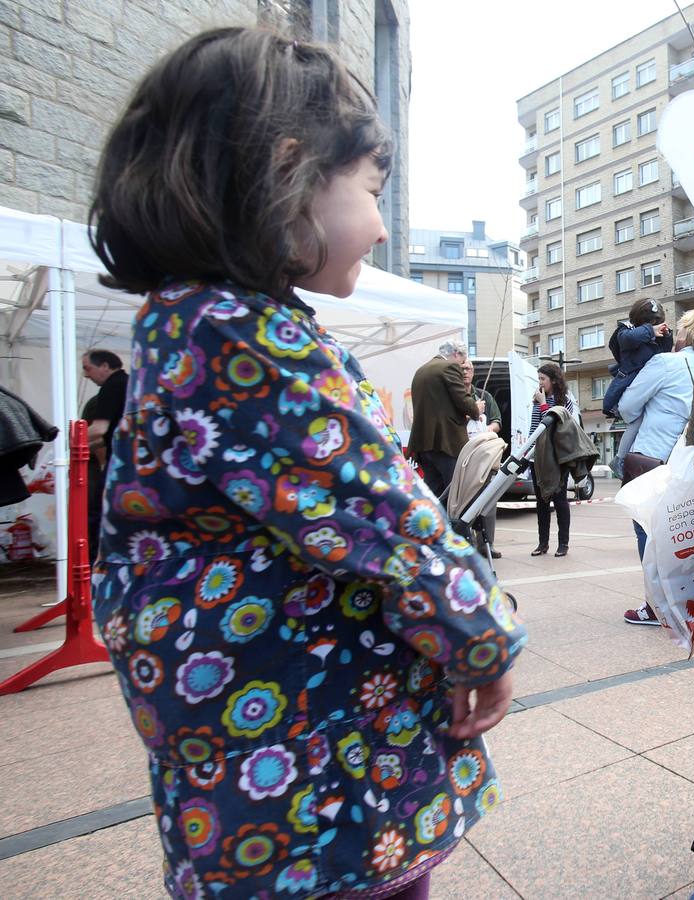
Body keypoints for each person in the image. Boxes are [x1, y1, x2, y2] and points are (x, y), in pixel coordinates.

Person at [87, 29, 524, 900]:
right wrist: (481, 637)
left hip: (268, 751)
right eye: (369, 189)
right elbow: (384, 516)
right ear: (288, 175)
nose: (379, 222)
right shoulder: (239, 335)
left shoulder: (192, 320)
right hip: (312, 763)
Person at [617, 308, 694, 625]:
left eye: (678, 329)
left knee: (648, 531)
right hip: (688, 460)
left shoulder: (665, 363)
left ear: (686, 333)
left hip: (652, 459)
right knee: (681, 534)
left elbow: (626, 407)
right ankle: (687, 598)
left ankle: (656, 606)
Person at [409, 341, 482, 500]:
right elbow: (462, 400)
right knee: (454, 494)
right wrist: (476, 409)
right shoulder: (448, 367)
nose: (462, 368)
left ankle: (434, 524)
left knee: (434, 493)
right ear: (456, 354)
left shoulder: (421, 371)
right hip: (447, 443)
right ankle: (452, 525)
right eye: (462, 363)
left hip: (424, 444)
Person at [79, 348, 130, 546]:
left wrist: (69, 444)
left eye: (88, 368)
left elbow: (99, 429)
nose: (85, 375)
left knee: (98, 511)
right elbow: (108, 434)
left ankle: (94, 560)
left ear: (105, 366)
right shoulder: (129, 383)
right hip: (131, 457)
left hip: (118, 460)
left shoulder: (112, 386)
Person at [529, 362, 576, 557]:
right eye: (538, 378)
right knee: (541, 502)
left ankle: (563, 543)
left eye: (543, 379)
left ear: (554, 380)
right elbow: (535, 428)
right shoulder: (538, 399)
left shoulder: (564, 400)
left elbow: (555, 425)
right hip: (537, 456)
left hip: (557, 457)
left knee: (559, 500)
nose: (540, 382)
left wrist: (542, 404)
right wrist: (527, 452)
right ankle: (542, 543)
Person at [602, 298, 673, 418]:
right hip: (631, 382)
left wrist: (666, 336)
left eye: (656, 322)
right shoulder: (626, 330)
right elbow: (628, 339)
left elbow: (665, 353)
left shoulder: (656, 336)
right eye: (649, 322)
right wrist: (650, 330)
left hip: (653, 384)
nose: (653, 325)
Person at [462, 356, 502, 558]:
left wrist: (488, 428)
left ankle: (487, 544)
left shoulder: (483, 395)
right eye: (462, 368)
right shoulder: (456, 397)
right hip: (463, 458)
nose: (465, 371)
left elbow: (497, 420)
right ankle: (465, 543)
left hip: (484, 458)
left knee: (488, 501)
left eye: (468, 368)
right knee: (464, 503)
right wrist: (471, 413)